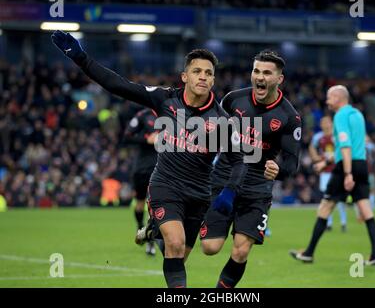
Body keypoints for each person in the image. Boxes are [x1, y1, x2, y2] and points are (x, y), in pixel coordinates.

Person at [51, 31, 247, 288]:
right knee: (175, 245)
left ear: (213, 80)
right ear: (184, 76)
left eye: (209, 73)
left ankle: (154, 229)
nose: (203, 77)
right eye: (197, 71)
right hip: (165, 184)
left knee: (178, 256)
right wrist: (81, 58)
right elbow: (118, 84)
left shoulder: (222, 119)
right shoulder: (165, 99)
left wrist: (229, 192)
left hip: (198, 194)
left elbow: (241, 158)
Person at [200, 50, 302, 288]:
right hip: (224, 177)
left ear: (279, 79)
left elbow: (291, 161)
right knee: (210, 247)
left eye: (267, 73)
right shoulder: (233, 100)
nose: (260, 77)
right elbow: (212, 135)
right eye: (256, 71)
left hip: (257, 186)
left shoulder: (289, 117)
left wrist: (279, 168)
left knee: (241, 250)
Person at [289, 85, 375, 266]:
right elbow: (348, 147)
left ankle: (308, 253)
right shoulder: (358, 115)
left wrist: (347, 173)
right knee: (366, 211)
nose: (327, 100)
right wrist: (326, 162)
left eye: (330, 97)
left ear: (339, 98)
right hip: (362, 165)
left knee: (324, 208)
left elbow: (345, 147)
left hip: (347, 167)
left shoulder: (340, 116)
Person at [123, 107, 158, 256]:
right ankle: (140, 227)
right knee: (139, 203)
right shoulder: (142, 115)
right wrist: (146, 139)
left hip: (161, 168)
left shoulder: (172, 113)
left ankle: (151, 241)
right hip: (142, 168)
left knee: (155, 204)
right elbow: (127, 136)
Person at [309, 115, 347, 232]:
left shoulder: (337, 136)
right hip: (325, 171)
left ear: (331, 123)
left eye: (326, 122)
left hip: (337, 170)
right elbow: (311, 148)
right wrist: (316, 157)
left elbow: (343, 149)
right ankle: (328, 223)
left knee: (339, 198)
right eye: (322, 122)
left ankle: (343, 222)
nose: (324, 124)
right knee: (326, 197)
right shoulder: (318, 137)